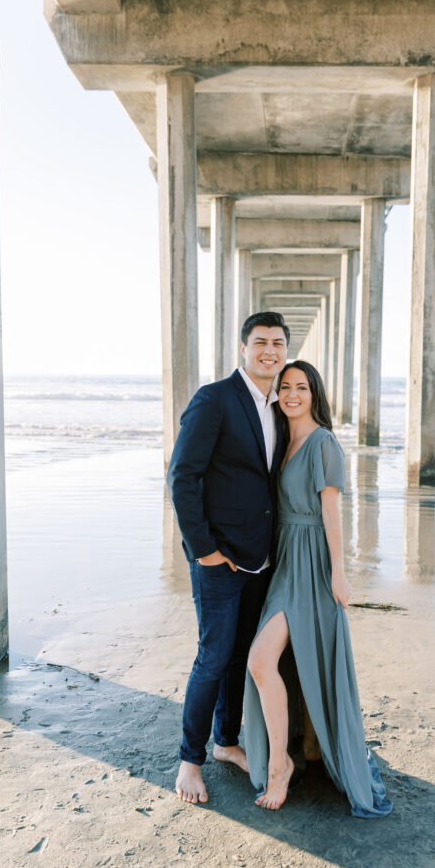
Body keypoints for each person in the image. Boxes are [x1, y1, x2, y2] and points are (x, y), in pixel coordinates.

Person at [244, 360, 393, 818]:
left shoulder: (324, 442)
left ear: (315, 394)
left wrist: (339, 573)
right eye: (285, 387)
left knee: (261, 660)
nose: (291, 394)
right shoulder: (284, 442)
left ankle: (279, 766)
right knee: (273, 663)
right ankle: (293, 751)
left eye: (301, 388)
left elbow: (332, 512)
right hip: (285, 562)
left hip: (310, 566)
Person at [166, 312, 290, 804]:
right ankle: (189, 761)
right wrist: (206, 552)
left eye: (278, 344)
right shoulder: (214, 399)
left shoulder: (277, 405)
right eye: (260, 342)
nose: (269, 352)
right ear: (243, 348)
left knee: (240, 657)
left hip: (260, 560)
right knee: (213, 657)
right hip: (220, 560)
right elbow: (182, 477)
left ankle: (226, 742)